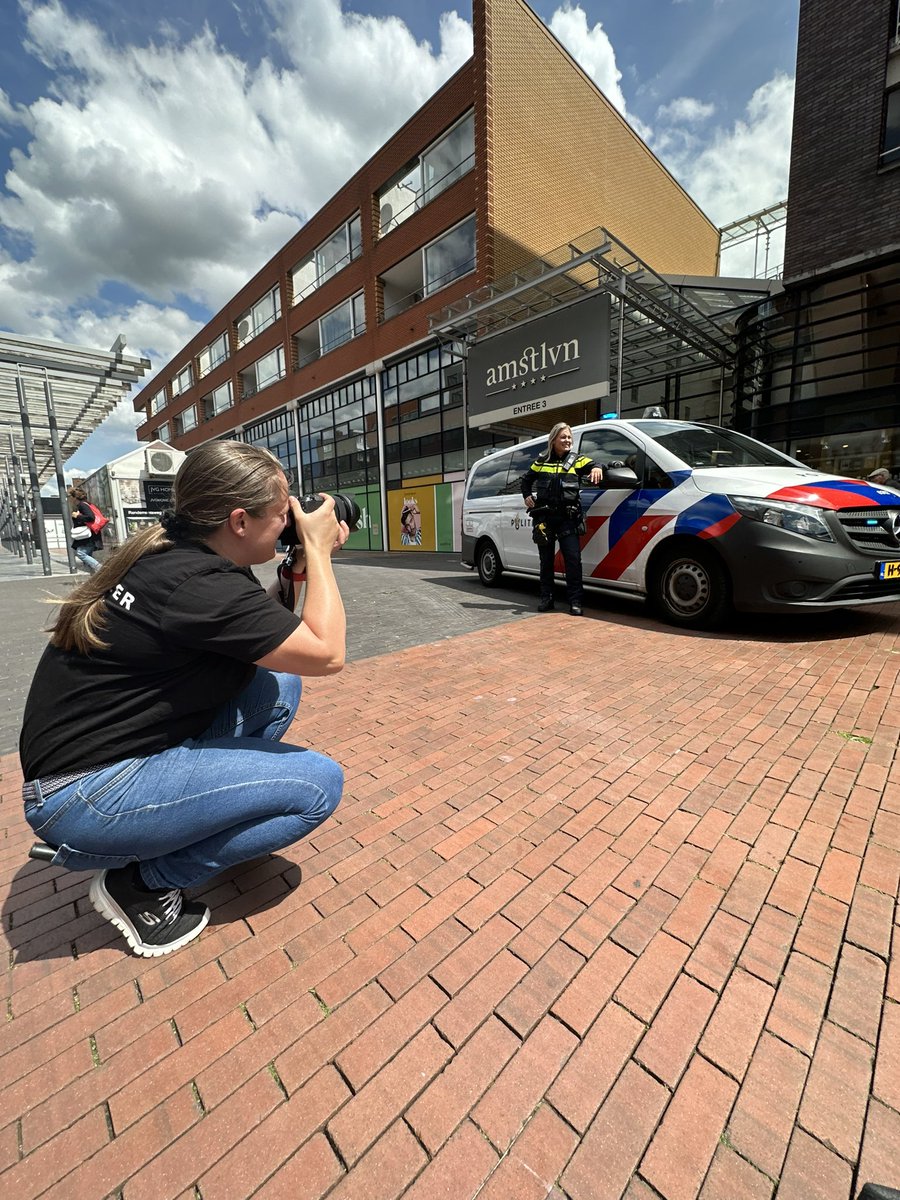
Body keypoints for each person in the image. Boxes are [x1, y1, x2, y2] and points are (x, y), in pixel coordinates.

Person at [20, 441, 348, 958]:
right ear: (239, 521)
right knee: (317, 786)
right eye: (283, 511)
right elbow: (326, 653)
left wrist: (296, 567)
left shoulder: (182, 552)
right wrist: (323, 552)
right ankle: (144, 885)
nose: (293, 519)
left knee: (276, 687)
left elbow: (261, 636)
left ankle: (209, 820)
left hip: (105, 758)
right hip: (83, 796)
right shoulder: (196, 582)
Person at [521, 422, 603, 615]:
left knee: (573, 561)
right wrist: (527, 495)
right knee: (546, 562)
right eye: (563, 437)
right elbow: (526, 480)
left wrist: (597, 468)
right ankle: (546, 599)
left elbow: (597, 464)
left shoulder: (578, 460)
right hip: (545, 519)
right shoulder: (541, 461)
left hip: (568, 519)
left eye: (569, 437)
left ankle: (575, 602)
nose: (567, 440)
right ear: (553, 440)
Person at [67, 486, 102, 573]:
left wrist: (77, 516)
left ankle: (100, 568)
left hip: (88, 536)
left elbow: (91, 517)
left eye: (70, 497)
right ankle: (94, 577)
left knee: (81, 553)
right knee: (87, 559)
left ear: (74, 497)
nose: (69, 499)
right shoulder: (86, 504)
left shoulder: (82, 505)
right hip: (88, 535)